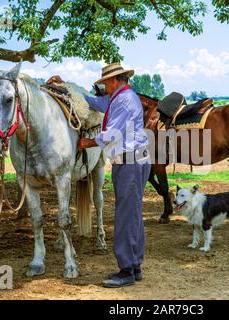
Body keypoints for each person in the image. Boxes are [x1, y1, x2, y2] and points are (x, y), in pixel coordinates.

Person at [78, 62, 151, 288]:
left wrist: (89, 142)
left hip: (129, 163)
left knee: (125, 215)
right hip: (135, 160)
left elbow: (112, 134)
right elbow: (96, 102)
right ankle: (135, 265)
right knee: (133, 213)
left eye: (105, 83)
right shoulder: (119, 97)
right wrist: (68, 89)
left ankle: (126, 270)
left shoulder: (125, 102)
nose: (104, 87)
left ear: (114, 80)